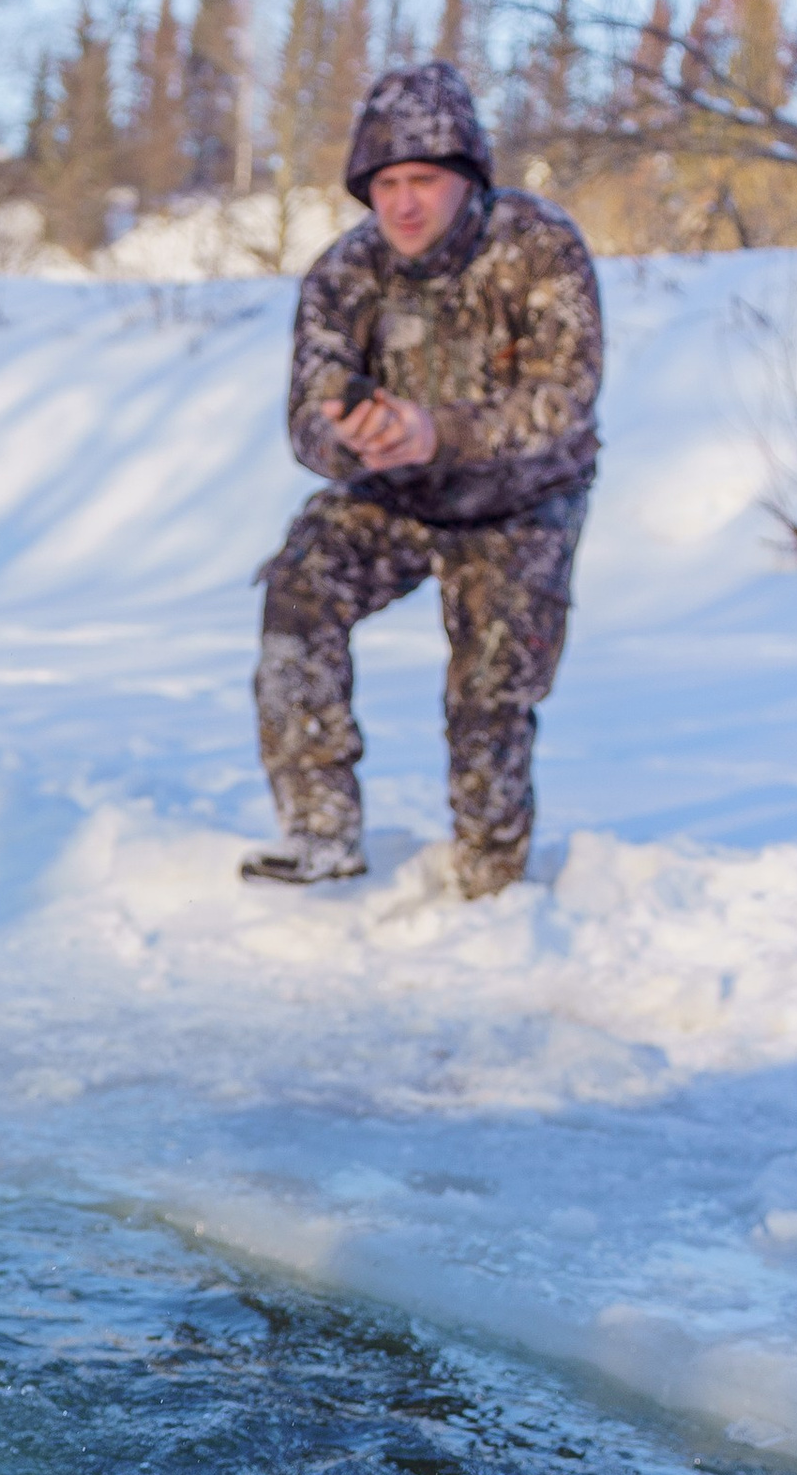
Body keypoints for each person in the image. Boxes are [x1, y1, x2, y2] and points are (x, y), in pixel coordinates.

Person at [245, 60, 603, 902]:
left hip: (521, 503)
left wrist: (440, 431)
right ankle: (320, 832)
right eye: (387, 182)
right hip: (394, 496)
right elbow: (307, 414)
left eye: (425, 179)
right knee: (299, 586)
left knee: (490, 693)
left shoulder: (538, 246)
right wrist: (349, 439)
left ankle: (492, 876)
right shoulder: (346, 272)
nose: (404, 202)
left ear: (468, 178)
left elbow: (566, 401)